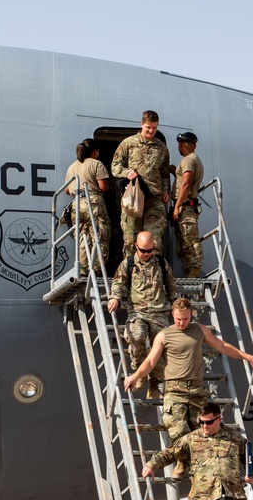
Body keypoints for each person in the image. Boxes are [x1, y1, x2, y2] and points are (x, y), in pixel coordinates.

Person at [124, 297, 253, 476]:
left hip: (196, 391)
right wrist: (135, 376)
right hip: (174, 390)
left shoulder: (199, 330)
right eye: (178, 319)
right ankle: (183, 461)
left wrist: (248, 357)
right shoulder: (164, 335)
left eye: (185, 319)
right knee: (178, 429)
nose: (181, 323)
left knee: (202, 432)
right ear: (172, 315)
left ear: (191, 314)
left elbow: (222, 346)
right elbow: (151, 361)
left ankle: (200, 469)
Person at [108, 231, 177, 398]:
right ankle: (141, 372)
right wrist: (115, 297)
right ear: (136, 246)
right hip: (138, 312)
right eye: (143, 250)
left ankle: (155, 383)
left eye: (150, 251)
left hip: (159, 312)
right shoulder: (128, 263)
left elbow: (171, 284)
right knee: (136, 337)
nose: (146, 254)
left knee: (159, 348)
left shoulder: (161, 263)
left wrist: (176, 306)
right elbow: (119, 282)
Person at [111, 110, 172, 256]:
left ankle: (154, 275)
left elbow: (164, 173)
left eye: (154, 128)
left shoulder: (162, 148)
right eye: (148, 127)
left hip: (154, 198)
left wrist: (165, 190)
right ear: (142, 124)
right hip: (134, 198)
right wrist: (127, 173)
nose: (151, 131)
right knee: (131, 240)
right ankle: (131, 275)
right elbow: (115, 166)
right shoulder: (128, 144)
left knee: (154, 241)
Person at [64, 139, 111, 274]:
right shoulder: (97, 164)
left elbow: (67, 190)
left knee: (83, 239)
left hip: (77, 204)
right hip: (93, 203)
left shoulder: (72, 167)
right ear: (95, 151)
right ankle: (96, 270)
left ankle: (83, 271)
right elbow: (103, 187)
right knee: (99, 236)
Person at [171, 131, 205, 278]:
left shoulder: (188, 160)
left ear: (181, 144)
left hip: (185, 207)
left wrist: (177, 206)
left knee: (190, 242)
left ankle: (194, 273)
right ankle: (188, 274)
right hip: (186, 206)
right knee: (183, 244)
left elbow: (186, 184)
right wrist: (175, 173)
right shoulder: (194, 159)